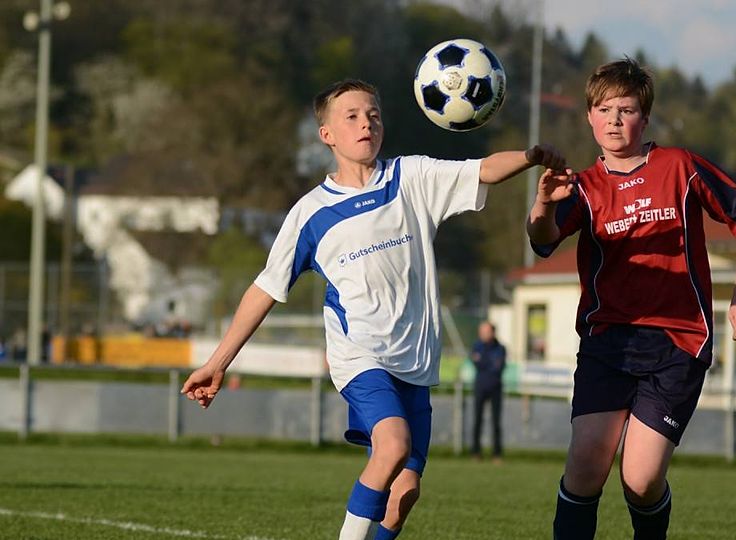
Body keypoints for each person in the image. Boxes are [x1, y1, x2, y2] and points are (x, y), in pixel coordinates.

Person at [180, 78, 565, 540]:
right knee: (392, 446)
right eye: (352, 116)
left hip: (415, 361)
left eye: (373, 115)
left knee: (403, 496)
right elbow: (265, 289)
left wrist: (530, 157)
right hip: (360, 355)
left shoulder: (411, 177)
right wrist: (217, 363)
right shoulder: (310, 214)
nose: (366, 123)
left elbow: (483, 170)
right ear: (327, 135)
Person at [526, 58, 736, 539]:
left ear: (645, 117)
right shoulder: (583, 187)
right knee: (586, 462)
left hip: (677, 342)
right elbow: (542, 240)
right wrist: (544, 202)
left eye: (626, 109)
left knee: (640, 479)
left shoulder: (680, 166)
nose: (614, 119)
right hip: (608, 343)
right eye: (604, 109)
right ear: (589, 117)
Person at [469, 321, 507, 461]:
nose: (483, 334)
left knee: (496, 422)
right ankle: (476, 452)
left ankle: (496, 454)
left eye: (486, 332)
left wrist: (483, 361)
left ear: (492, 332)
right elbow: (477, 363)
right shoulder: (476, 346)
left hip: (495, 387)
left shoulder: (500, 348)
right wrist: (487, 362)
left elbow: (498, 366)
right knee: (477, 420)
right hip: (480, 386)